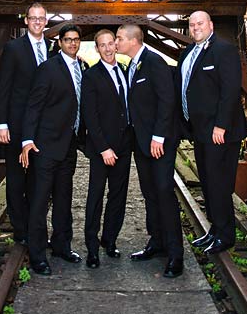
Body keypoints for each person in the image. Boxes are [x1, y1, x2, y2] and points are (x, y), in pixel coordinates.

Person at [114, 24, 184, 278]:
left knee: (164, 193)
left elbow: (167, 101)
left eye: (120, 38)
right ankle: (157, 242)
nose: (117, 42)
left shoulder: (154, 63)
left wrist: (159, 137)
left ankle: (176, 255)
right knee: (150, 193)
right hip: (142, 143)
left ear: (134, 40)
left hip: (159, 143)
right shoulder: (131, 65)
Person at [176, 10, 247, 254]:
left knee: (219, 184)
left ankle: (225, 236)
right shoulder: (188, 53)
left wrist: (222, 125)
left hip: (220, 133)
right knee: (207, 183)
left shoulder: (223, 50)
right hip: (201, 132)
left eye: (200, 23)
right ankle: (215, 230)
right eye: (192, 24)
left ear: (211, 25)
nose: (196, 28)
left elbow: (230, 91)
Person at [20, 23, 85, 275]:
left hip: (69, 145)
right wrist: (27, 140)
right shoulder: (47, 69)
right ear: (59, 43)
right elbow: (33, 105)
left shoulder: (82, 67)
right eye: (67, 39)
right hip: (45, 147)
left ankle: (62, 246)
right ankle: (37, 255)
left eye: (76, 39)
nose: (72, 43)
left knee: (63, 199)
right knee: (39, 202)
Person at [0, 3, 54, 244]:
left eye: (41, 18)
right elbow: (4, 88)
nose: (38, 22)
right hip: (18, 125)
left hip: (43, 126)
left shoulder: (52, 48)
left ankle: (36, 227)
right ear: (26, 21)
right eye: (33, 18)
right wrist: (2, 124)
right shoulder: (13, 48)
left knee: (38, 180)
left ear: (46, 21)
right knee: (17, 177)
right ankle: (20, 231)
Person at [81, 29, 133, 268]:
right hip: (102, 149)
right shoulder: (91, 76)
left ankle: (109, 240)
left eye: (111, 43)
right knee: (96, 196)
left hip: (123, 147)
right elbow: (90, 116)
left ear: (116, 44)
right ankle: (92, 248)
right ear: (97, 48)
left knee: (118, 196)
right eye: (102, 45)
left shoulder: (124, 70)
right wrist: (103, 148)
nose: (108, 48)